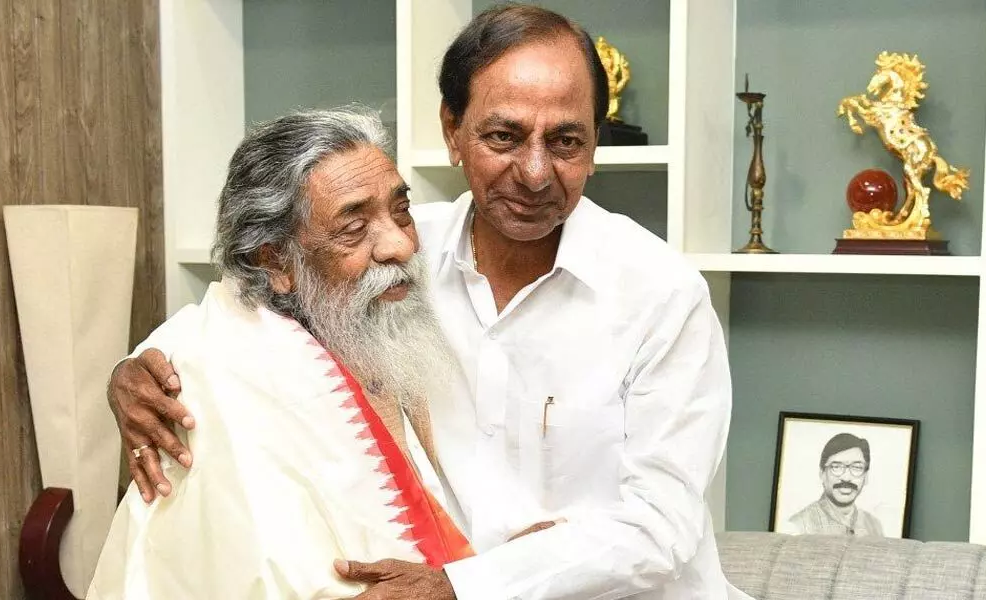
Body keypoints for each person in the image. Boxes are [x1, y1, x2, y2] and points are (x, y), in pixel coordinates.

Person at [108, 4, 747, 598]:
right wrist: (139, 369)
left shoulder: (663, 294)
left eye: (565, 142)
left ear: (595, 145)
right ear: (452, 130)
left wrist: (467, 584)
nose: (534, 172)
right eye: (504, 136)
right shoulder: (397, 254)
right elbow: (242, 313)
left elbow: (660, 526)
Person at [87, 108, 473, 599]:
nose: (399, 244)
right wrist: (125, 374)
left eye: (401, 209)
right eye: (353, 228)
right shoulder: (212, 384)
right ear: (274, 261)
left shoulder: (401, 306)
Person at [785, 433, 884, 537]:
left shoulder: (875, 526)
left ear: (866, 476)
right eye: (836, 467)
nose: (846, 478)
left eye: (856, 467)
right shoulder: (799, 526)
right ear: (822, 474)